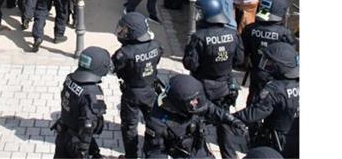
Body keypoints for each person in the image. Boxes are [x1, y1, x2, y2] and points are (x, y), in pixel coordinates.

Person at [183, 0, 244, 158]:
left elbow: (190, 64)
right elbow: (239, 60)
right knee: (225, 123)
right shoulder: (233, 34)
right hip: (225, 87)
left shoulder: (199, 37)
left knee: (197, 124)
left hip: (202, 88)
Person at [143, 74, 247, 158]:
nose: (196, 102)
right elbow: (155, 153)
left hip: (199, 148)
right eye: (193, 101)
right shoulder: (157, 123)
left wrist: (232, 120)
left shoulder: (194, 102)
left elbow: (211, 109)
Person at [112, 12, 163, 158]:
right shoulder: (156, 46)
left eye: (125, 30)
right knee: (153, 122)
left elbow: (115, 67)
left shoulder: (124, 53)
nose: (122, 32)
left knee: (129, 127)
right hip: (151, 89)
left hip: (132, 94)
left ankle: (131, 156)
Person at [234, 42, 299, 155]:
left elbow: (252, 114)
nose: (266, 66)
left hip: (278, 140)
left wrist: (228, 117)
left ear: (281, 66)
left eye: (270, 64)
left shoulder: (274, 90)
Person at [53, 46, 111, 159]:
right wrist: (83, 150)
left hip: (63, 132)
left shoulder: (70, 79)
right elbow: (88, 124)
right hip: (76, 140)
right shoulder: (92, 93)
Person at [241, 0, 296, 105]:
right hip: (277, 77)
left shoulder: (250, 29)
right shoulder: (284, 34)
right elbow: (291, 59)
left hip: (256, 73)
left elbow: (243, 53)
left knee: (253, 101)